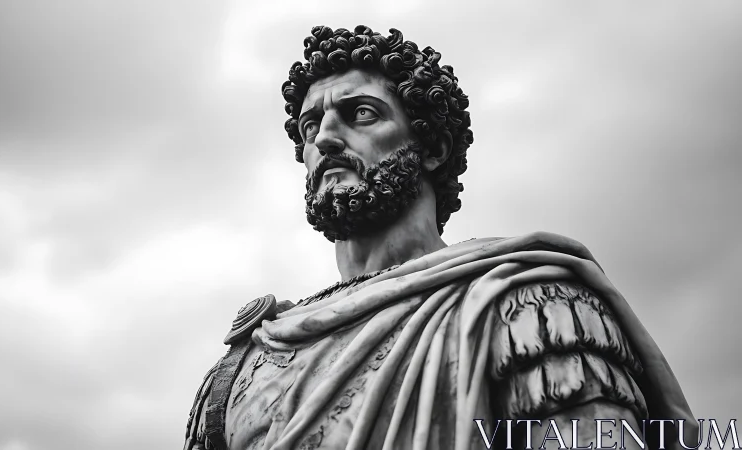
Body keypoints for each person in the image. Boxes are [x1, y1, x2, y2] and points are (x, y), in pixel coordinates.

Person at [183, 26, 696, 450]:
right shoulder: (245, 364)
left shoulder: (532, 304)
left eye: (361, 113)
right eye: (310, 124)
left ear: (432, 148)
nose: (324, 138)